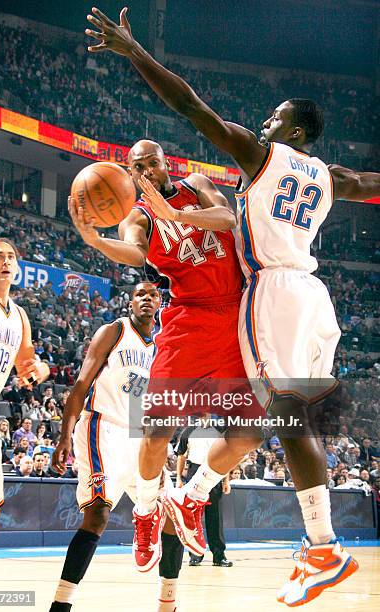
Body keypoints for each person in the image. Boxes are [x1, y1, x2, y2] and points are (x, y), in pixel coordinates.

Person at [84, 7, 379, 605]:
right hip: (315, 300)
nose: (265, 123)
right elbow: (370, 183)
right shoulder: (327, 173)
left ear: (293, 133)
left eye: (276, 119)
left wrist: (135, 53)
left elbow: (191, 107)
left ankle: (319, 546)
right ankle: (197, 500)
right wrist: (136, 227)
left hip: (269, 293)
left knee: (285, 420)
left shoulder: (260, 159)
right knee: (284, 418)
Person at [68, 137, 261, 572]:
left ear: (164, 163)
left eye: (152, 162)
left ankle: (192, 497)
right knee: (155, 433)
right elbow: (134, 251)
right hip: (188, 323)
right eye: (138, 167)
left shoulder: (196, 185)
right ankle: (145, 512)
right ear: (131, 174)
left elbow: (229, 218)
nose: (148, 171)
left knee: (250, 434)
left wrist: (176, 212)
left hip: (235, 318)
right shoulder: (137, 216)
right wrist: (95, 241)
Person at [49, 283, 184, 612]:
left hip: (139, 437)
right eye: (140, 294)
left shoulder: (161, 347)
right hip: (102, 427)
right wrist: (64, 435)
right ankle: (61, 604)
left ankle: (168, 603)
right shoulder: (115, 330)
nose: (146, 299)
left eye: (153, 295)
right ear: (131, 301)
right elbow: (82, 382)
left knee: (171, 516)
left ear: (160, 303)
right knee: (97, 515)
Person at [0, 238, 50, 558]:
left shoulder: (19, 316)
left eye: (11, 257)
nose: (5, 262)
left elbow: (26, 365)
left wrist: (40, 369)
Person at [175, 417, 233, 567]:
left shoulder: (220, 430)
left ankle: (219, 556)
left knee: (215, 518)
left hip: (215, 472)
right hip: (194, 471)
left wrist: (226, 480)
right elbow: (181, 455)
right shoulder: (188, 431)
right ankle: (195, 554)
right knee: (193, 517)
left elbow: (225, 456)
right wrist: (179, 478)